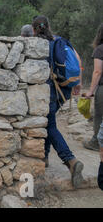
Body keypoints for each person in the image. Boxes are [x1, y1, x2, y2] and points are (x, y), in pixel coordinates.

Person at [32, 15, 84, 188]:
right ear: (48, 26)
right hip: (61, 91)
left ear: (34, 29)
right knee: (49, 123)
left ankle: (71, 161)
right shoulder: (59, 40)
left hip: (46, 92)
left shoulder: (35, 45)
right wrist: (79, 83)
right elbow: (77, 60)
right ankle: (45, 157)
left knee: (50, 126)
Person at [82, 23, 103, 190]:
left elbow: (97, 72)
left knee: (99, 117)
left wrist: (90, 91)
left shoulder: (100, 49)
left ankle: (96, 142)